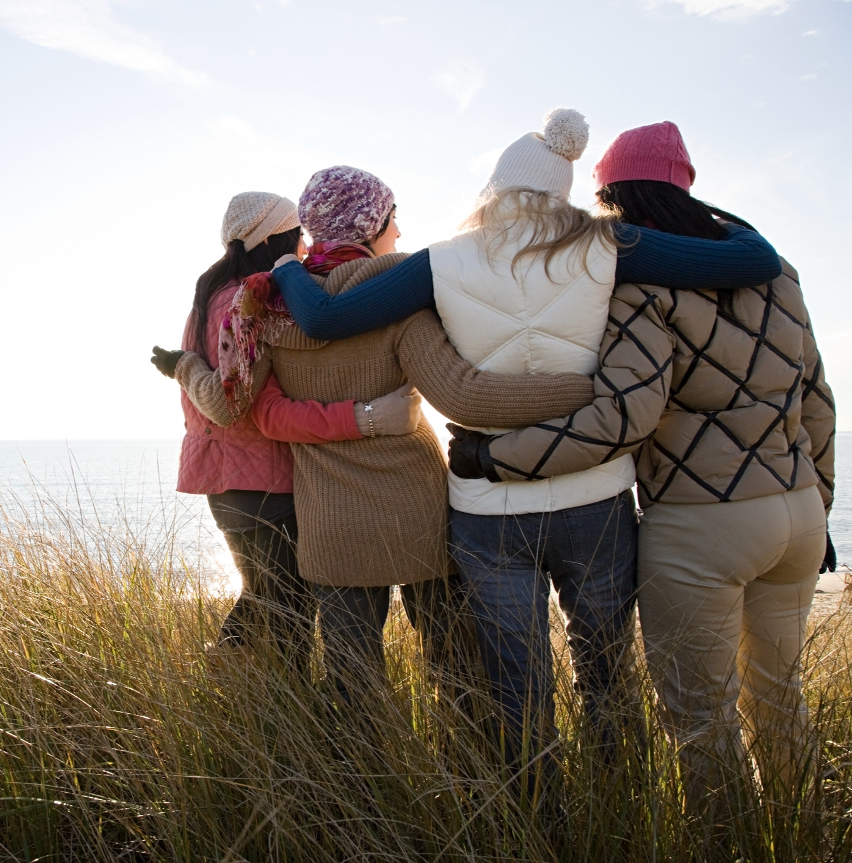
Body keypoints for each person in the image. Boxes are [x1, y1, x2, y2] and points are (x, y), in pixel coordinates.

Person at [267, 110, 786, 790]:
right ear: (562, 191)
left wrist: (285, 267)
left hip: (488, 507)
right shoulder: (609, 243)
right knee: (606, 674)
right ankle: (618, 815)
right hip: (595, 494)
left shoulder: (444, 260)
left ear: (494, 187)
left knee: (516, 685)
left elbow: (325, 318)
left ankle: (536, 823)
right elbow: (754, 260)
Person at [446, 121, 836, 814]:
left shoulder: (640, 285)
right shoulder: (778, 271)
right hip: (798, 513)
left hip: (701, 523)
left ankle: (728, 848)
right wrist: (821, 506)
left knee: (703, 723)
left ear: (614, 199)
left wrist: (493, 455)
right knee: (781, 703)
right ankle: (807, 833)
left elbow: (622, 418)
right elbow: (818, 401)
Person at [167, 167, 601, 715]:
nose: (398, 231)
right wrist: (585, 388)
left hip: (331, 522)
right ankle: (468, 788)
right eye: (392, 220)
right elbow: (466, 397)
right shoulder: (398, 302)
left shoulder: (268, 310)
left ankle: (362, 794)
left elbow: (263, 414)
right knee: (457, 671)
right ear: (370, 227)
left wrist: (185, 368)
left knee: (353, 686)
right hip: (416, 510)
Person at [153, 191, 422, 672]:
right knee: (288, 620)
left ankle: (221, 683)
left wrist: (182, 366)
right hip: (267, 482)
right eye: (296, 235)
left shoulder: (203, 301)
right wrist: (188, 368)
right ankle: (275, 719)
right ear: (274, 237)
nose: (302, 248)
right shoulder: (253, 300)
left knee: (262, 598)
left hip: (222, 484)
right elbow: (226, 402)